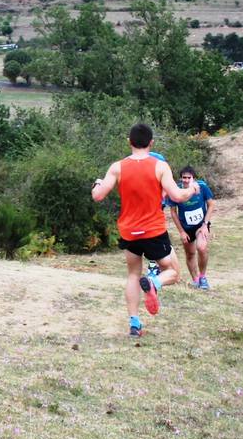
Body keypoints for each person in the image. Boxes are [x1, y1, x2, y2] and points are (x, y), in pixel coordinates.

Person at [92, 123, 195, 337]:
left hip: (129, 232)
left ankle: (134, 323)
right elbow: (177, 196)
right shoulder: (160, 166)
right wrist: (192, 190)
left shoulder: (117, 167)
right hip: (153, 231)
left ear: (129, 142)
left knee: (132, 274)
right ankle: (154, 282)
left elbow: (98, 196)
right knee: (174, 273)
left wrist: (96, 184)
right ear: (151, 143)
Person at [170, 165, 215, 290]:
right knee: (190, 254)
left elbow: (211, 204)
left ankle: (203, 277)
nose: (185, 180)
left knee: (202, 247)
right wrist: (181, 231)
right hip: (186, 227)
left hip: (201, 225)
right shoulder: (176, 190)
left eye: (188, 178)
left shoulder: (202, 186)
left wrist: (205, 224)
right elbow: (173, 212)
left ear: (193, 178)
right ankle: (196, 280)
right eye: (183, 178)